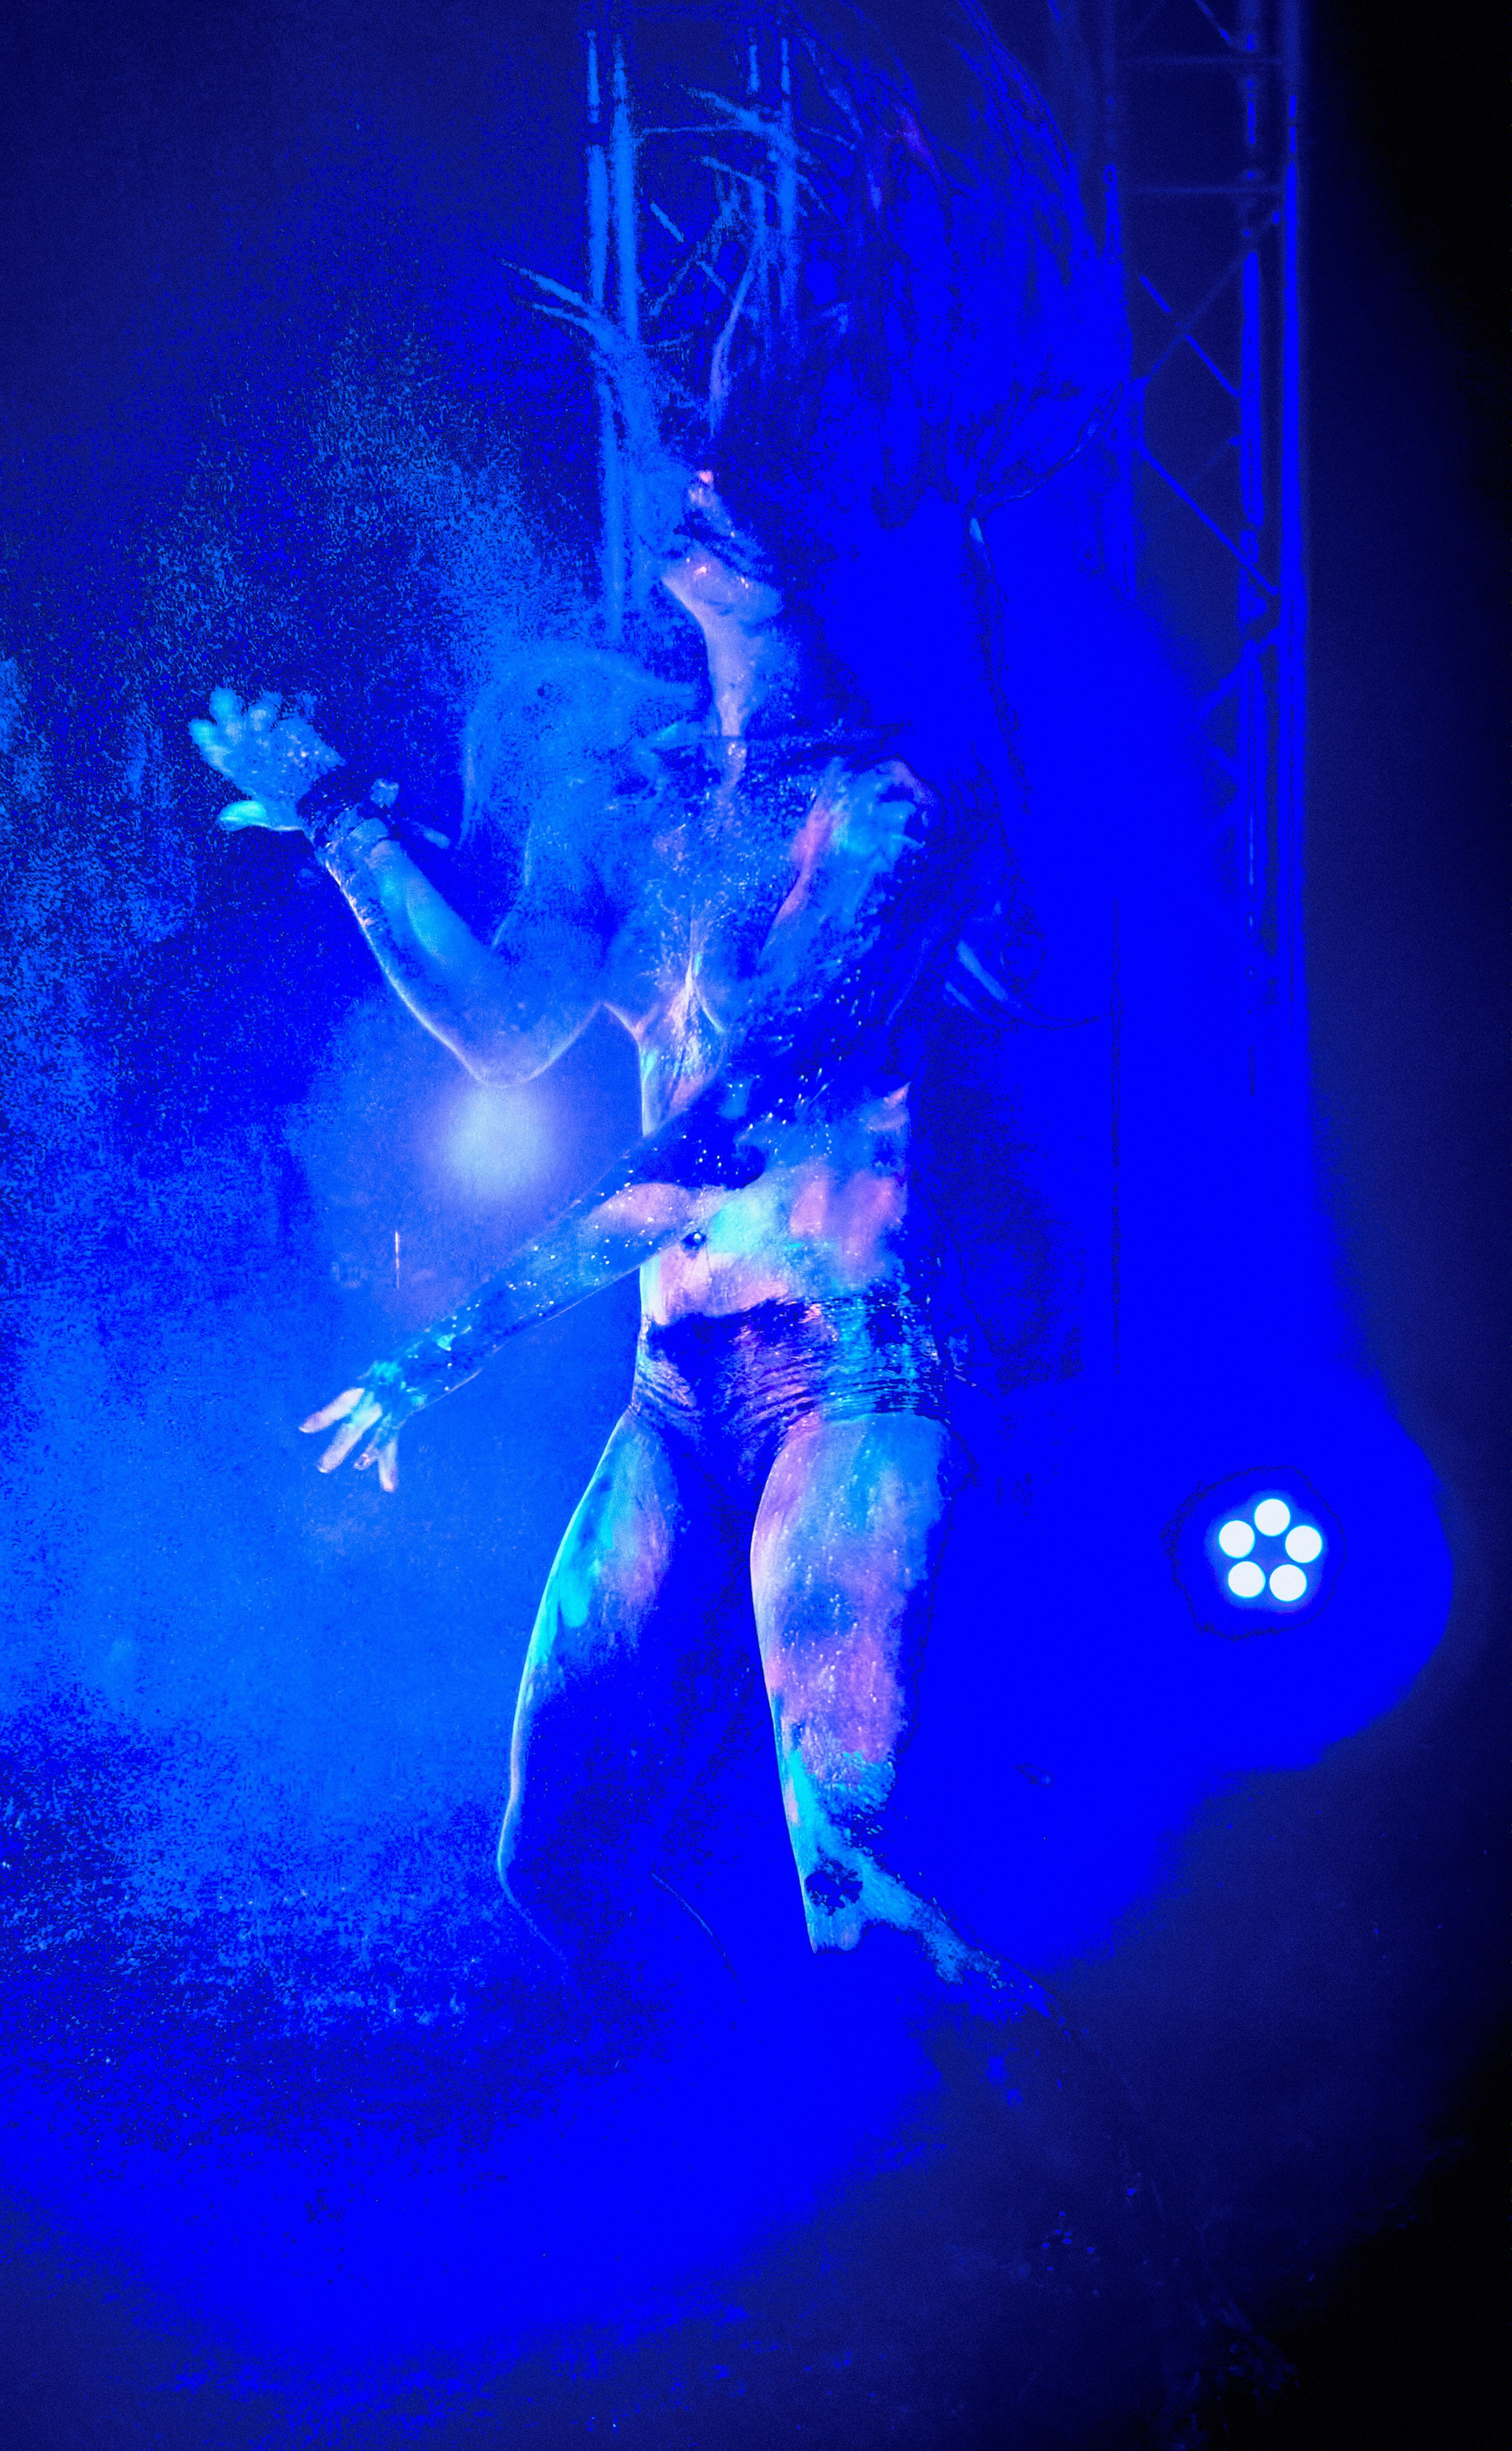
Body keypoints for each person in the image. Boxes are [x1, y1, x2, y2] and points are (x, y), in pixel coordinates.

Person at [190, 2, 1121, 2026]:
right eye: (701, 458)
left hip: (851, 1378)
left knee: (852, 1879)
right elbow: (508, 1031)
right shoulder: (641, 802)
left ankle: (1130, 2210)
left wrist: (437, 1355)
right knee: (550, 1860)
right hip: (670, 1391)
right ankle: (769, 2134)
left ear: (819, 544)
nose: (694, 483)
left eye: (745, 476)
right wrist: (339, 815)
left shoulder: (887, 812)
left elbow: (718, 1139)